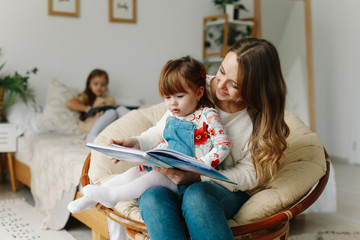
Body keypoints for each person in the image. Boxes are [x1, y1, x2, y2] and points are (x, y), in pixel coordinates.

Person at [131, 37, 290, 240]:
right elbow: (164, 127)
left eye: (234, 84)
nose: (220, 85)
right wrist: (136, 143)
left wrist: (200, 176)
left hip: (223, 188)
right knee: (152, 196)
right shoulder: (198, 87)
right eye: (222, 71)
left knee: (198, 195)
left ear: (256, 88)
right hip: (176, 180)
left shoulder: (258, 121)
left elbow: (252, 173)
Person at [67, 56, 231, 213]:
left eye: (179, 96)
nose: (172, 103)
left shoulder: (207, 115)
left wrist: (201, 165)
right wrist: (147, 155)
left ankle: (112, 197)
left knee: (152, 179)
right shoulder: (173, 113)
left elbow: (223, 145)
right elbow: (162, 137)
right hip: (165, 166)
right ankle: (94, 197)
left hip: (184, 179)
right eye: (167, 97)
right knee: (133, 173)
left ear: (199, 92)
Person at [66, 69, 130, 143]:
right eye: (96, 84)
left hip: (107, 123)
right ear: (89, 85)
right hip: (92, 124)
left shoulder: (110, 98)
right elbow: (70, 103)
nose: (99, 87)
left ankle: (139, 125)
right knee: (111, 112)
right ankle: (92, 136)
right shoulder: (86, 96)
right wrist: (88, 109)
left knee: (121, 109)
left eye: (102, 85)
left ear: (106, 86)